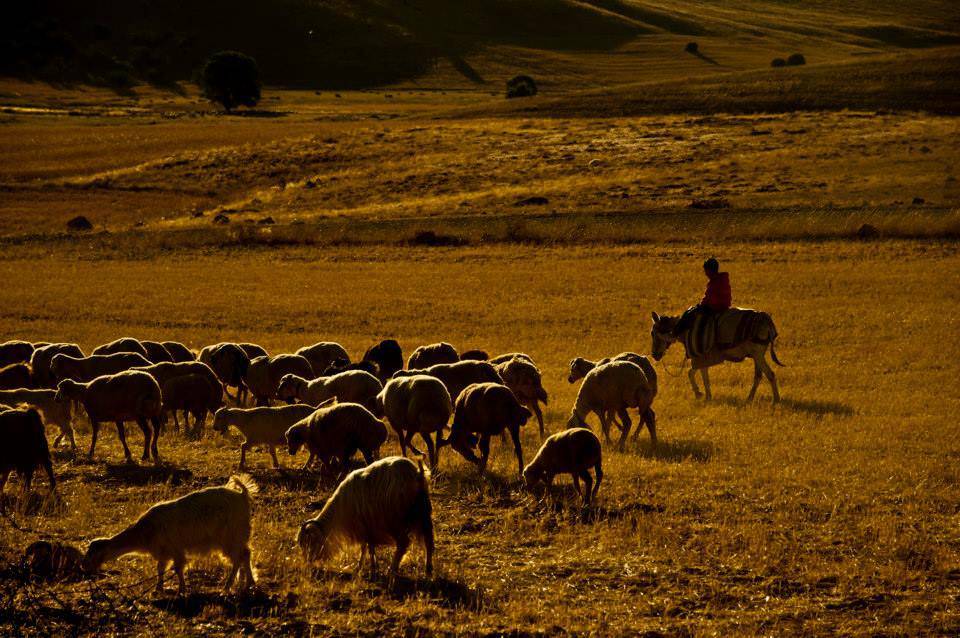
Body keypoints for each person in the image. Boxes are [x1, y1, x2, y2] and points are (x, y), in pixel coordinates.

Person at [673, 258, 731, 336]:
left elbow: (711, 298)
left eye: (706, 271)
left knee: (689, 313)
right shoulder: (721, 279)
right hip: (722, 306)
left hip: (715, 307)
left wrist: (703, 304)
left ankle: (676, 333)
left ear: (710, 270)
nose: (705, 273)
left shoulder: (715, 282)